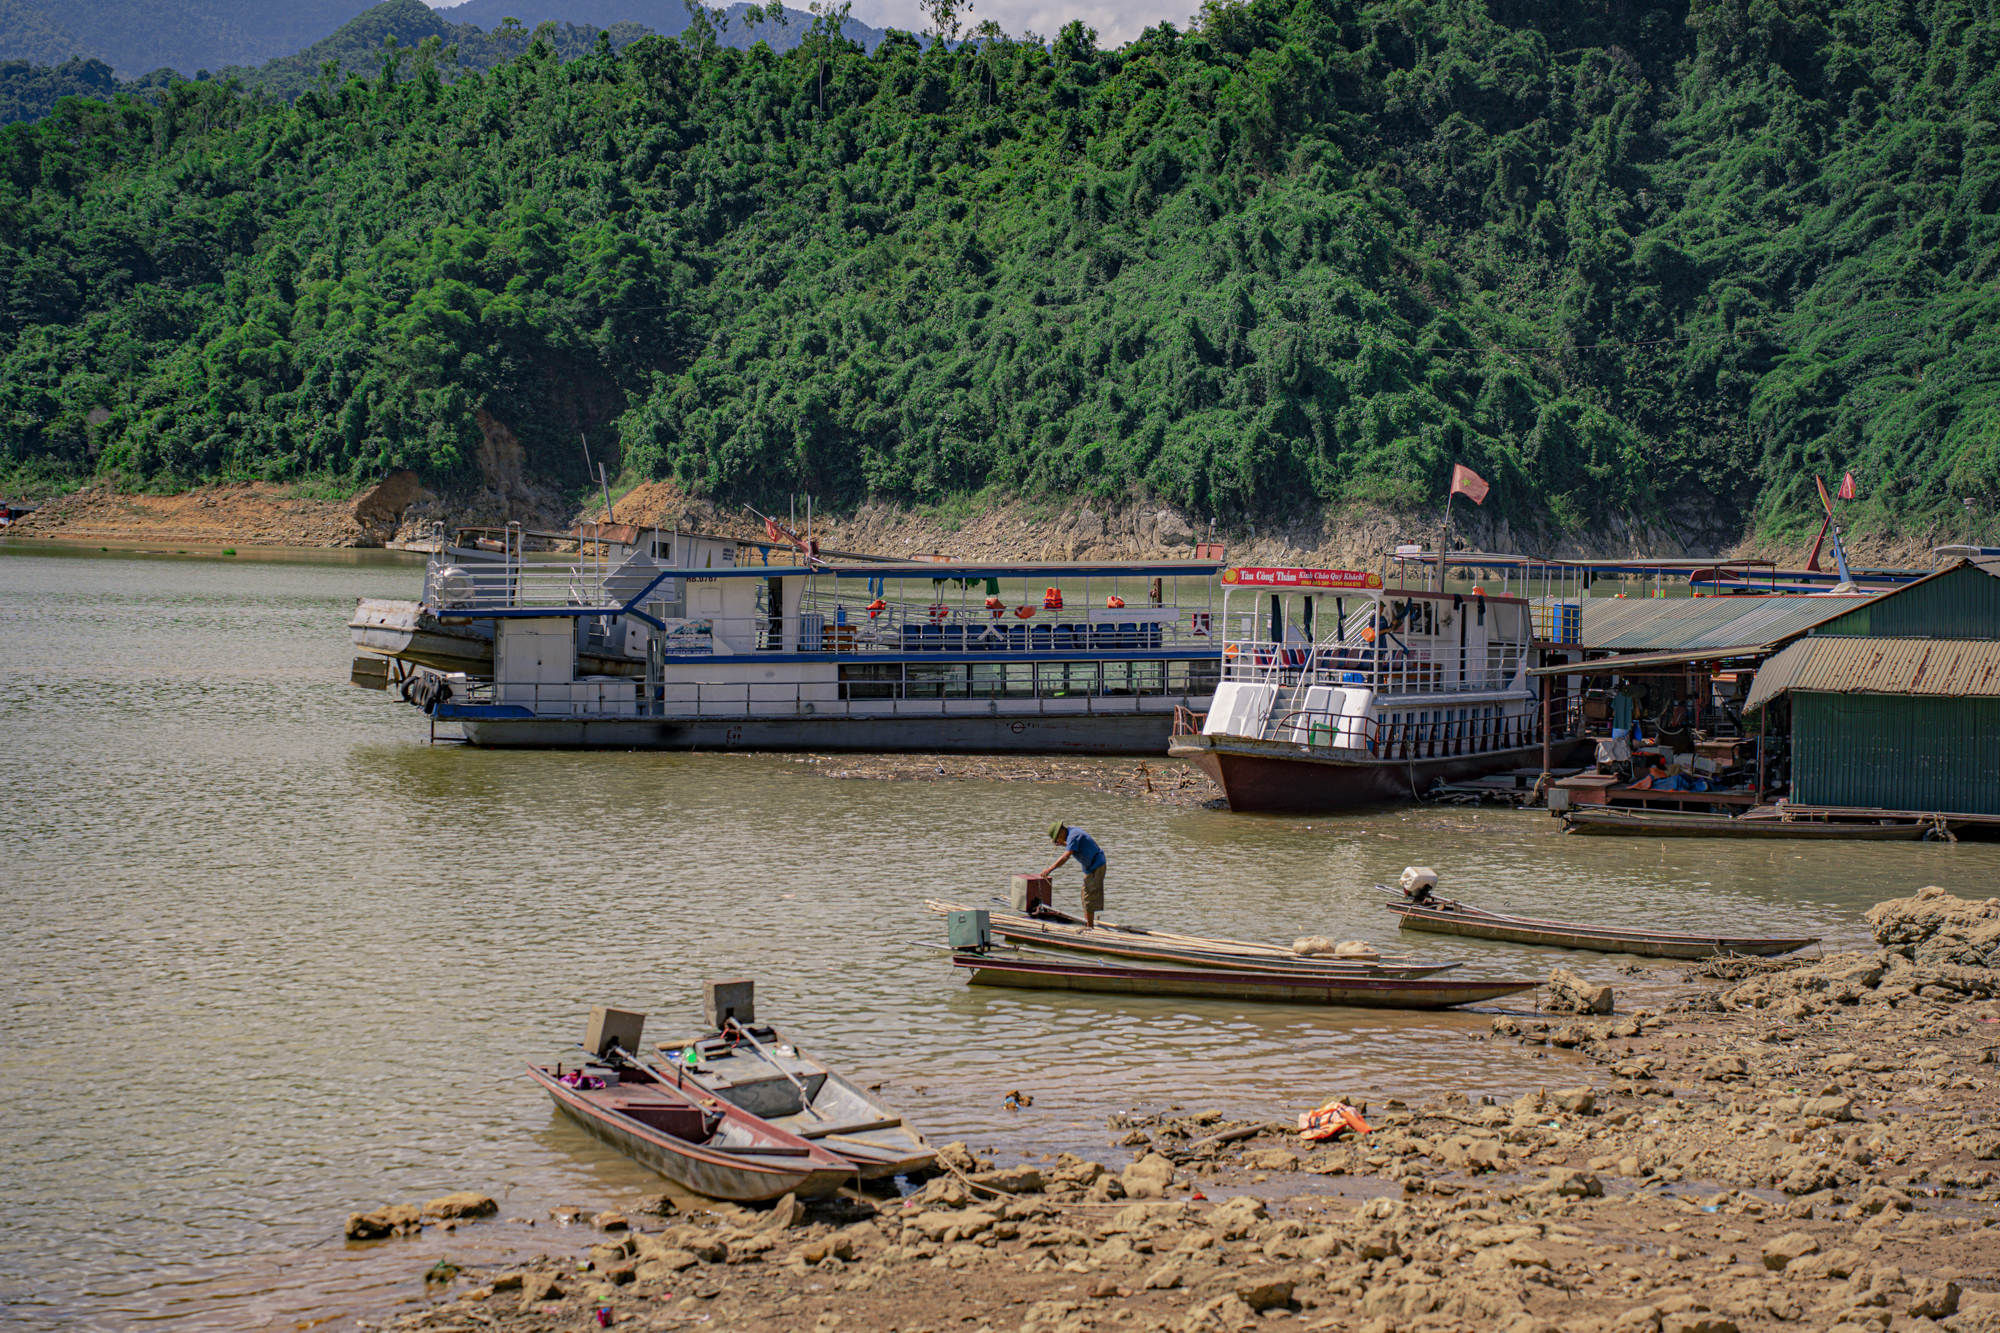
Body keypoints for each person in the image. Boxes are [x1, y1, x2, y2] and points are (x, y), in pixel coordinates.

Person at [1044, 820, 1106, 928]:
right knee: (1085, 896)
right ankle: (1088, 924)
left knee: (1089, 897)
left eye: (1057, 838)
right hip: (1093, 867)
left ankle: (1089, 928)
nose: (1058, 840)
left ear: (1060, 832)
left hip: (1095, 866)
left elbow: (1065, 857)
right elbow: (1073, 846)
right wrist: (1063, 844)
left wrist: (1049, 869)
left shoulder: (1073, 836)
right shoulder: (1072, 832)